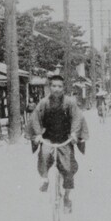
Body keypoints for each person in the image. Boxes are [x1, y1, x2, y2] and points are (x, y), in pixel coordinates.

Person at [30, 74, 85, 213]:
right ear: (49, 87)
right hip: (48, 137)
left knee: (68, 168)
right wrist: (37, 135)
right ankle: (44, 178)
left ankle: (66, 198)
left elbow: (77, 118)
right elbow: (35, 119)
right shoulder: (43, 103)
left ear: (63, 88)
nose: (56, 89)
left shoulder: (70, 102)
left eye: (59, 86)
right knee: (44, 153)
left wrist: (74, 134)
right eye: (54, 86)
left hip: (65, 139)